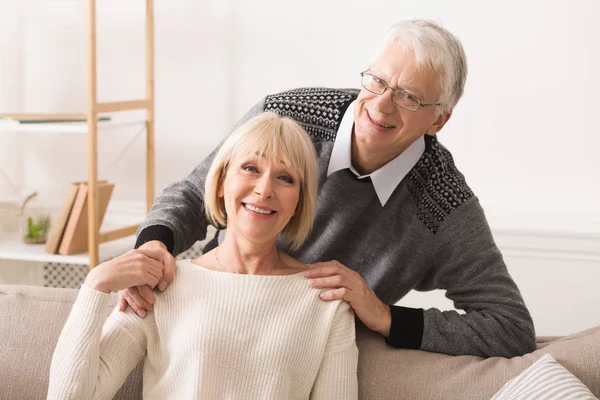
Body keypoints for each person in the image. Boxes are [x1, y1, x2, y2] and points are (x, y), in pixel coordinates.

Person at [125, 19, 536, 358]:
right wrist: (154, 245)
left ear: (438, 121)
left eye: (409, 97)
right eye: (377, 81)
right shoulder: (286, 115)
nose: (381, 105)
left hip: (312, 351)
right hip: (217, 308)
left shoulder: (443, 204)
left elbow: (510, 326)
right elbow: (198, 192)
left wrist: (385, 316)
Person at [47, 112, 359, 399]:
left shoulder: (326, 303)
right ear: (222, 182)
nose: (264, 189)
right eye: (251, 168)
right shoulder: (160, 286)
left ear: (298, 202)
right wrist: (95, 285)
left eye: (285, 178)